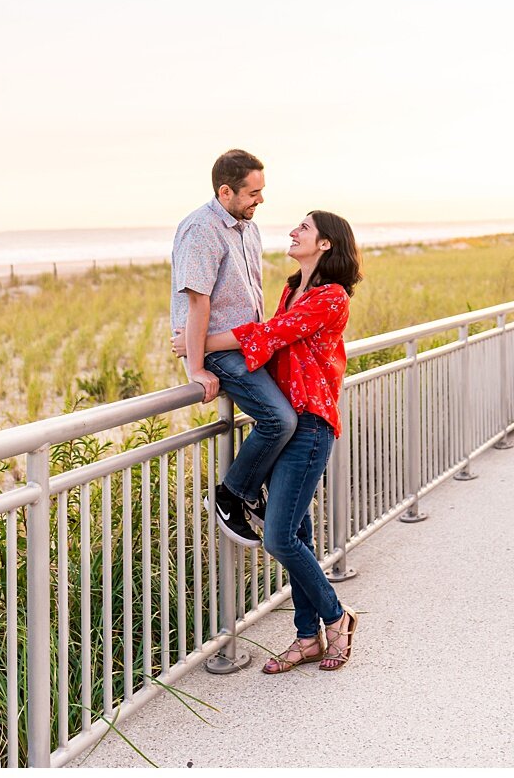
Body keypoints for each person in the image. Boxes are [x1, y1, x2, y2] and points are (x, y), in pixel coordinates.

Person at [176, 210, 362, 673]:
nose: (294, 230)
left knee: (279, 536)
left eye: (305, 227)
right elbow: (271, 343)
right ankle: (306, 638)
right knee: (295, 531)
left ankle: (338, 618)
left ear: (324, 245)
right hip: (289, 422)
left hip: (311, 425)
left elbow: (271, 335)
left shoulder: (330, 297)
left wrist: (197, 345)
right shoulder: (291, 289)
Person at [170, 149, 295, 547]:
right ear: (226, 191)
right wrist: (196, 366)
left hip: (247, 347)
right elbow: (197, 302)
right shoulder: (200, 230)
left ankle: (249, 488)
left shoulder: (248, 228)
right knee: (280, 420)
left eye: (261, 191)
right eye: (253, 193)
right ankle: (231, 494)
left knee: (290, 416)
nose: (260, 200)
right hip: (219, 351)